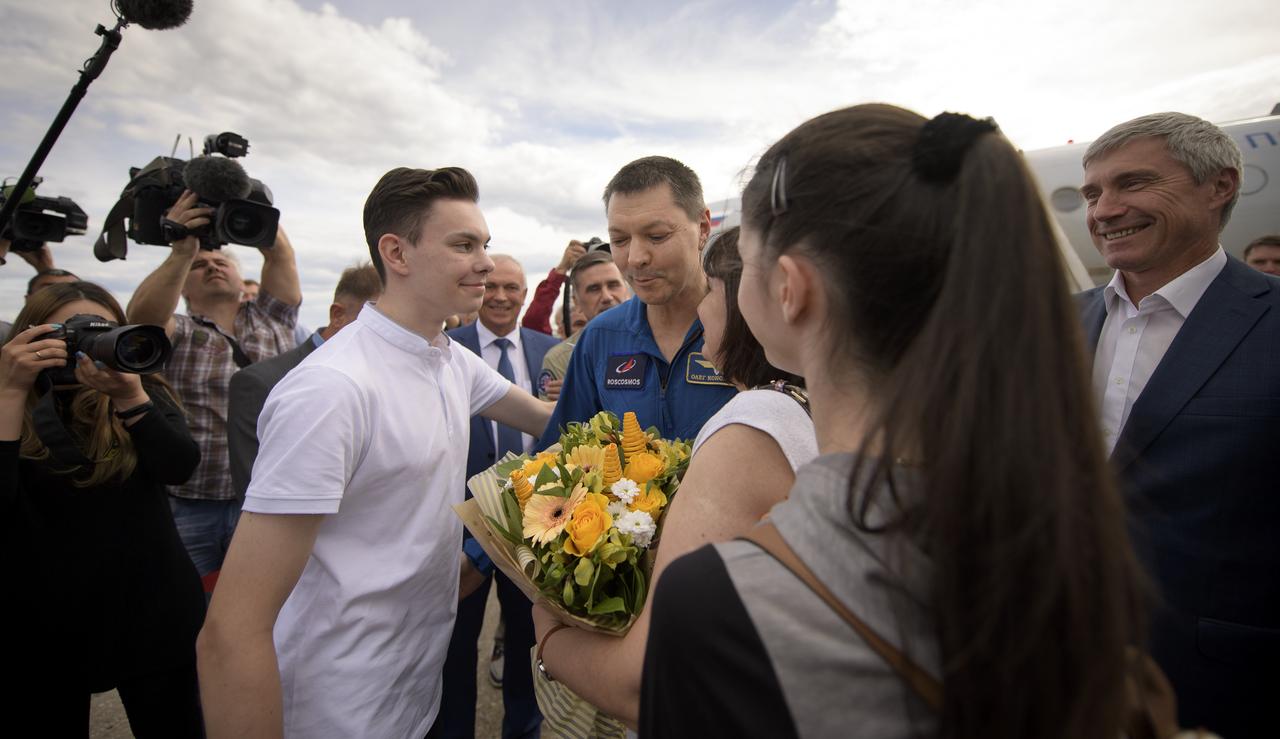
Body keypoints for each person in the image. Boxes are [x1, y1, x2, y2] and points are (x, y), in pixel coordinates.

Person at [639, 106, 1148, 739]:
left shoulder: (723, 602)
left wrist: (551, 638)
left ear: (792, 288)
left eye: (745, 260)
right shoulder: (1054, 525)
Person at [197, 166, 555, 739]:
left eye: (483, 244)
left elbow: (549, 421)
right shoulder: (331, 391)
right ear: (398, 253)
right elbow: (231, 632)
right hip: (336, 708)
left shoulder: (447, 357)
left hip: (415, 692)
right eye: (464, 244)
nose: (486, 262)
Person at [530, 227, 816, 729]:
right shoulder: (806, 405)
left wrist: (548, 637)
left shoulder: (751, 426)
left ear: (753, 303)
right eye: (619, 236)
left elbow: (649, 679)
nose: (698, 309)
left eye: (710, 291)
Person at [1078, 112, 1279, 737]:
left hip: (1227, 684)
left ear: (1218, 186)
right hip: (1060, 666)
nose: (1105, 210)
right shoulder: (1051, 323)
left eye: (1133, 184)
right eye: (1092, 193)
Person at [1, 281, 206, 736]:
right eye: (69, 335)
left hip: (153, 610)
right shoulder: (8, 397)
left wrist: (131, 399)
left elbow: (179, 467)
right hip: (42, 621)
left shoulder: (142, 390)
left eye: (102, 331)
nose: (86, 348)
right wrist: (12, 392)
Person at [127, 196, 301, 593]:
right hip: (191, 502)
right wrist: (182, 250)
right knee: (189, 606)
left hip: (264, 497)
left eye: (222, 261)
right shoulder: (181, 329)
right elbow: (142, 322)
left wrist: (250, 203)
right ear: (183, 286)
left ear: (242, 281)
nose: (213, 265)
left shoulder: (272, 318)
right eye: (200, 266)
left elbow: (281, 255)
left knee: (266, 605)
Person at [538, 156, 736, 447]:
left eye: (656, 236)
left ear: (703, 228)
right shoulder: (600, 338)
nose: (635, 258)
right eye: (620, 240)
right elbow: (561, 456)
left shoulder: (748, 327)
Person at [441, 254, 559, 739]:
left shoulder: (551, 350)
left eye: (513, 287)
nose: (502, 296)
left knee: (528, 650)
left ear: (526, 294)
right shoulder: (446, 348)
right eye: (493, 286)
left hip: (533, 531)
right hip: (457, 529)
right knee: (452, 649)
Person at [227, 262, 382, 500]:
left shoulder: (386, 378)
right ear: (338, 315)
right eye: (379, 320)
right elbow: (259, 496)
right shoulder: (261, 383)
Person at [538, 248, 630, 401]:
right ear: (577, 302)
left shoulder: (660, 341)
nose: (606, 297)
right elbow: (555, 420)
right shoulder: (561, 359)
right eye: (594, 289)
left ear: (626, 290)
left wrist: (584, 396)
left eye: (613, 285)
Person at [521, 240, 588, 335]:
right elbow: (535, 320)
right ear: (561, 330)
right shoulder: (553, 348)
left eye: (591, 322)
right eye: (579, 324)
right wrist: (562, 269)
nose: (587, 329)